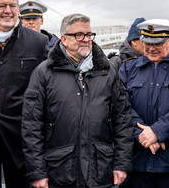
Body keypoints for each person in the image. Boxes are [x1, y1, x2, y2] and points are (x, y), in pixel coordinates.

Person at [21, 13, 134, 188]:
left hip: (101, 170)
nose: (86, 39)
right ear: (64, 39)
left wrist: (122, 164)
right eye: (79, 35)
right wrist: (37, 172)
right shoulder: (44, 73)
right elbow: (31, 125)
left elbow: (123, 119)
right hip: (59, 171)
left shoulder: (107, 72)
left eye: (89, 35)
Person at [119, 19, 169, 188]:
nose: (151, 48)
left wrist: (157, 131)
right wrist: (143, 135)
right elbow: (121, 107)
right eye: (147, 42)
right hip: (137, 162)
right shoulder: (127, 69)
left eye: (157, 43)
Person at [0, 0, 49, 188]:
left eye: (12, 6)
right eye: (1, 6)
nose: (7, 10)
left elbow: (48, 89)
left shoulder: (38, 42)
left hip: (20, 139)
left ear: (18, 9)